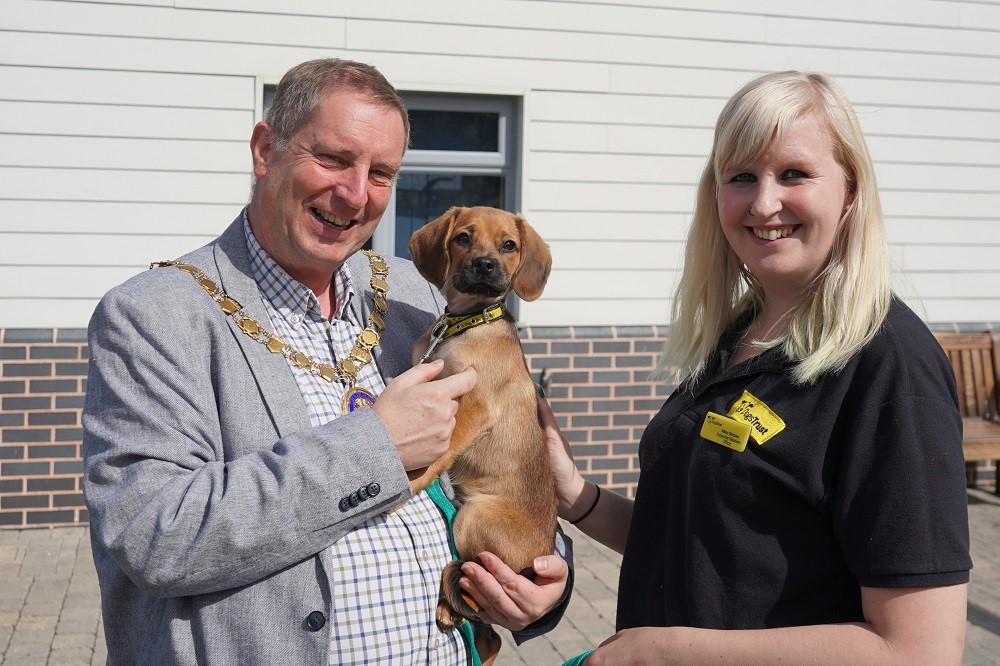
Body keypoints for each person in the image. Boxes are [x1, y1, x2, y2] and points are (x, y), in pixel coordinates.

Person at [82, 58, 571, 665]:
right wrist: (376, 446)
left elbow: (509, 454)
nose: (354, 193)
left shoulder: (417, 300)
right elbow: (153, 535)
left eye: (382, 173)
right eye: (333, 159)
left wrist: (542, 577)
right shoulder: (154, 316)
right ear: (266, 150)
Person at [543, 70, 971, 665]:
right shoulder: (736, 334)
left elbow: (919, 652)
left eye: (794, 173)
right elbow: (709, 543)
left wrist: (659, 652)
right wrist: (577, 497)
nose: (765, 202)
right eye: (741, 177)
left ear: (850, 191)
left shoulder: (889, 364)